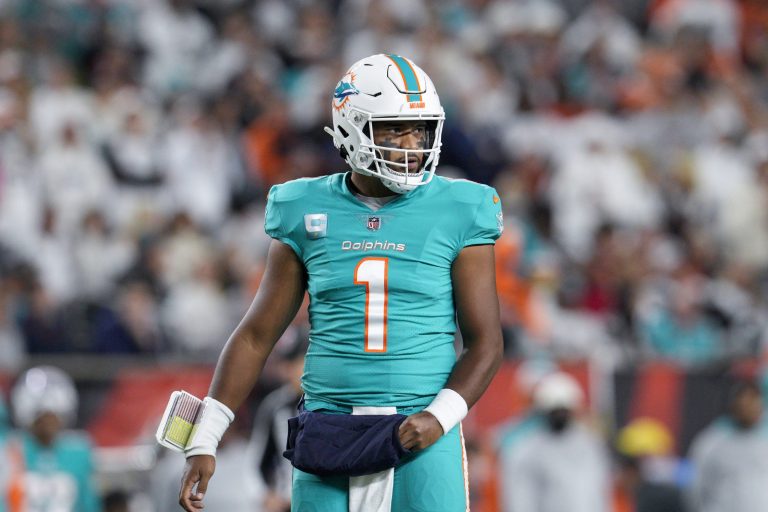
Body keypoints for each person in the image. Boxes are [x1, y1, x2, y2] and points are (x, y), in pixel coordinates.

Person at [176, 53, 504, 512]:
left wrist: (440, 415)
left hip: (423, 431)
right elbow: (256, 335)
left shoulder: (459, 206)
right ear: (352, 128)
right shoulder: (303, 206)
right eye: (394, 130)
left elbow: (485, 342)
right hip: (330, 429)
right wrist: (206, 434)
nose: (412, 144)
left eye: (420, 130)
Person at [497, 372, 611, 512]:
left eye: (564, 410)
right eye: (555, 411)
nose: (560, 416)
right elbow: (521, 499)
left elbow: (598, 492)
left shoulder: (590, 446)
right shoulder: (529, 450)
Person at [1, 366, 101, 512]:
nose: (48, 424)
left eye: (53, 416)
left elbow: (88, 504)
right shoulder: (11, 450)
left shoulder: (78, 451)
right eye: (41, 417)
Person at [688, 379, 768, 512]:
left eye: (753, 401)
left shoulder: (764, 440)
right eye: (743, 401)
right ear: (733, 404)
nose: (747, 407)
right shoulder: (711, 441)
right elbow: (696, 488)